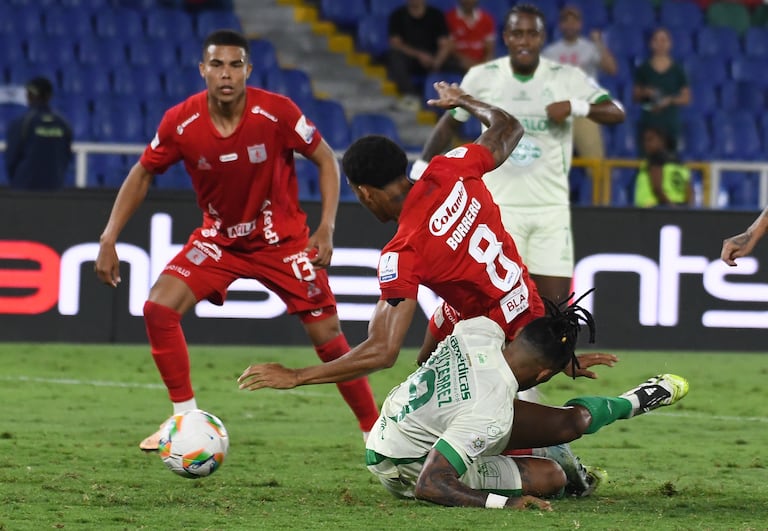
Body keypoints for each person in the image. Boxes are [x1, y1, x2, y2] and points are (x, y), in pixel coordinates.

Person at [94, 30, 379, 450]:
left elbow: (324, 158)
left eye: (234, 65)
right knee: (157, 309)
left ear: (248, 70)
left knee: (328, 336)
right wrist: (109, 237)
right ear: (202, 70)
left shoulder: (277, 112)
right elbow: (143, 172)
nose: (225, 73)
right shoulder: (180, 122)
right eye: (216, 64)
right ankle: (183, 419)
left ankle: (375, 431)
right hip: (219, 241)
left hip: (281, 242)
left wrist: (327, 227)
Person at [407, 4, 625, 371]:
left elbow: (616, 111)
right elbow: (450, 123)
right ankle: (474, 379)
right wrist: (420, 169)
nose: (524, 41)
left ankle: (526, 385)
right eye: (517, 33)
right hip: (498, 210)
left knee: (554, 315)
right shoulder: (483, 76)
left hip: (551, 211)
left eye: (532, 34)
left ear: (542, 38)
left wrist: (575, 106)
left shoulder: (565, 77)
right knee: (493, 308)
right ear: (506, 37)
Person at [365, 303, 689, 508]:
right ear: (545, 374)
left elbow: (443, 315)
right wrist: (505, 504)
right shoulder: (489, 410)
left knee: (570, 423)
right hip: (407, 466)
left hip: (404, 426)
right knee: (552, 476)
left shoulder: (480, 330)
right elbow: (431, 484)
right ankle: (551, 456)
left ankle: (636, 400)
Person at [542, 5, 617, 166]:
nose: (570, 25)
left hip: (585, 110)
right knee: (550, 164)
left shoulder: (590, 48)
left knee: (596, 164)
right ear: (561, 25)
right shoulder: (550, 52)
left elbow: (611, 69)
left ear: (580, 24)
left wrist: (599, 43)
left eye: (574, 21)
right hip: (560, 110)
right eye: (566, 21)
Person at [4, 76, 73, 190]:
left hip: (25, 190)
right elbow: (67, 157)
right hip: (55, 189)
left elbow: (11, 158)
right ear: (49, 96)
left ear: (29, 95)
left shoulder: (22, 122)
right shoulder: (63, 123)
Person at [387, 0, 457, 110]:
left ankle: (457, 98)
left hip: (433, 58)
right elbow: (396, 44)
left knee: (455, 62)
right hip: (410, 57)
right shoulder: (398, 15)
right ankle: (410, 96)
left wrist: (437, 61)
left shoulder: (436, 15)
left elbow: (445, 43)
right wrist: (419, 55)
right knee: (395, 57)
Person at [632, 27, 690, 155]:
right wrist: (645, 92)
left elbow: (686, 98)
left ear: (670, 43)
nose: (660, 44)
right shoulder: (643, 69)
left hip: (670, 123)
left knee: (670, 159)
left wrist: (669, 100)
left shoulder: (678, 70)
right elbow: (635, 96)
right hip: (649, 122)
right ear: (651, 44)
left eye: (663, 40)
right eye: (656, 40)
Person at [634, 126, 693, 208]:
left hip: (655, 208)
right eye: (644, 140)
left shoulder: (655, 160)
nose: (646, 144)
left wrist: (671, 208)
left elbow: (657, 188)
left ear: (662, 141)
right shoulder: (680, 163)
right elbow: (689, 191)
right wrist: (686, 210)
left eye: (650, 140)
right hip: (680, 208)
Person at [445, 0, 497, 73]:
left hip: (481, 65)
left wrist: (484, 66)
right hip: (457, 67)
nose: (468, 1)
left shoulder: (487, 19)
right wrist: (469, 64)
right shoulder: (449, 18)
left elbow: (490, 50)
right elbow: (449, 49)